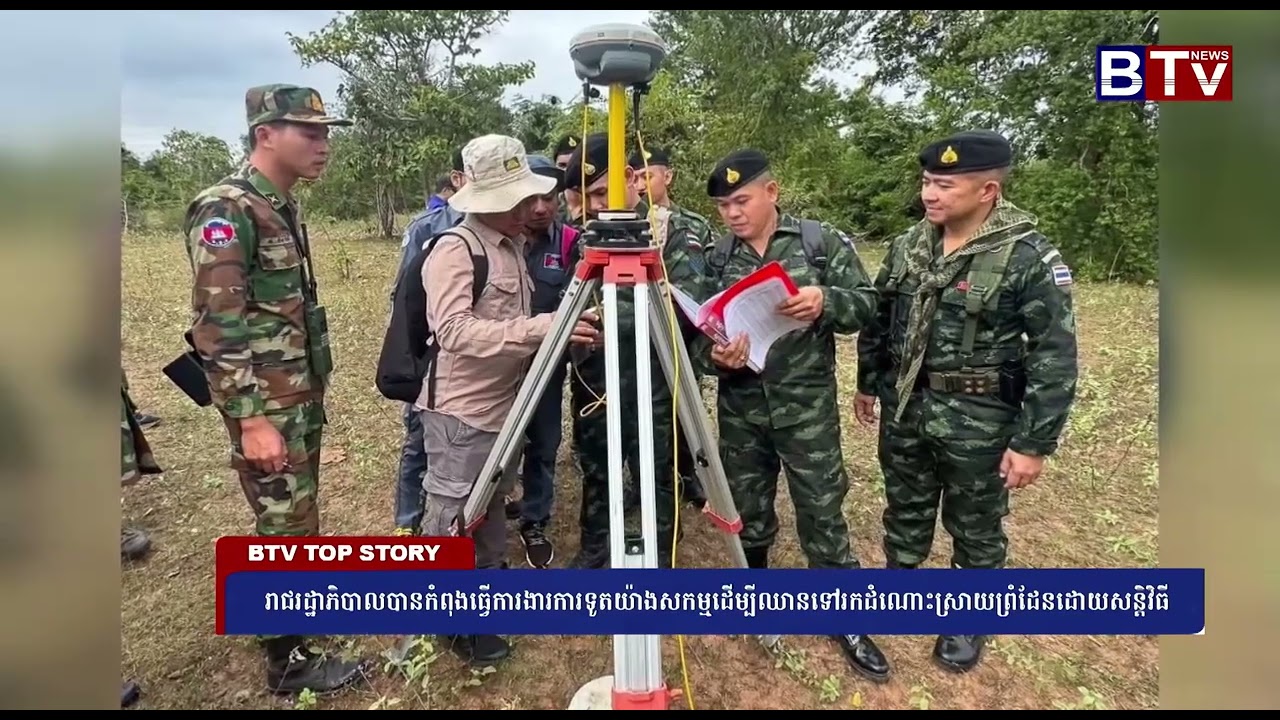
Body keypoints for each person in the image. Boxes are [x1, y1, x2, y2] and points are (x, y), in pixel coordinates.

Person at [854, 130, 1080, 673]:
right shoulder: (910, 246)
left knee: (975, 520)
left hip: (980, 417)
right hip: (907, 405)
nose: (930, 194)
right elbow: (881, 319)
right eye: (927, 182)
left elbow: (1055, 354)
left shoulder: (1027, 256)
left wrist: (1033, 444)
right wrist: (867, 381)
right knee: (905, 499)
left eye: (945, 185)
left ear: (988, 192)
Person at [180, 83, 366, 695]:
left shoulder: (279, 204)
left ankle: (295, 624)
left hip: (294, 397)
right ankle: (289, 663)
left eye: (326, 132)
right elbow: (217, 323)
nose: (324, 144)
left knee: (297, 519)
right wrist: (252, 419)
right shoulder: (227, 208)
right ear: (265, 134)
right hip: (266, 405)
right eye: (308, 132)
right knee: (285, 523)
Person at [700, 148, 890, 683]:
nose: (733, 214)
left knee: (822, 508)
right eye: (722, 206)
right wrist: (715, 356)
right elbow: (698, 334)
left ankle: (844, 615)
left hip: (806, 407)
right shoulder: (715, 258)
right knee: (747, 506)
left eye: (741, 200)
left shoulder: (819, 242)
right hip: (743, 408)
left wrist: (825, 300)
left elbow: (868, 305)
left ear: (772, 192)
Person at [416, 134, 599, 665]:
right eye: (520, 198)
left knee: (491, 502)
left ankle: (485, 597)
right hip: (462, 412)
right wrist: (544, 328)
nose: (533, 208)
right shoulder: (457, 249)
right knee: (453, 513)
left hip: (504, 406)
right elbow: (453, 331)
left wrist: (565, 332)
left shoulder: (511, 245)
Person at [560, 133, 711, 570]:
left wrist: (610, 320)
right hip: (597, 378)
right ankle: (596, 546)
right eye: (588, 197)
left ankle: (661, 551)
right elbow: (573, 299)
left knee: (658, 470)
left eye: (604, 191)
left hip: (656, 379)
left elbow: (685, 302)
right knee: (597, 468)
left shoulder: (669, 231)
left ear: (632, 178)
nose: (599, 205)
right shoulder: (587, 235)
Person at [502, 154, 577, 568]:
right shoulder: (495, 240)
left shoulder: (570, 243)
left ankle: (535, 520)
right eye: (532, 198)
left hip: (546, 368)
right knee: (493, 444)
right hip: (498, 368)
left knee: (544, 445)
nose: (541, 207)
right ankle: (489, 511)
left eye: (549, 197)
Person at [388, 148, 467, 536]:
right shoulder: (427, 227)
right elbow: (404, 299)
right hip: (432, 355)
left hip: (473, 365)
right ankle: (407, 520)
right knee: (419, 440)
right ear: (458, 179)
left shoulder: (505, 227)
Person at [629, 145, 712, 509]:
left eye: (650, 175)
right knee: (642, 415)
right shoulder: (624, 223)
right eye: (637, 177)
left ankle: (687, 474)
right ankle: (642, 482)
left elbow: (706, 281)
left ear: (668, 176)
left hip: (684, 339)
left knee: (683, 412)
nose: (644, 183)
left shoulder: (694, 224)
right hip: (639, 340)